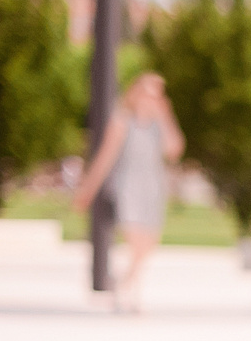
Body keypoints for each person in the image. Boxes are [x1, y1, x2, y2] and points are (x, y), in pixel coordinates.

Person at [71, 72, 184, 313]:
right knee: (135, 240)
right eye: (148, 94)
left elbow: (174, 149)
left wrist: (166, 116)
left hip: (153, 188)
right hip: (127, 187)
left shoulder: (158, 125)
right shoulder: (122, 121)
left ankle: (125, 285)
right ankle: (130, 292)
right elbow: (105, 159)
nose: (151, 100)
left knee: (149, 243)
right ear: (136, 94)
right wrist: (87, 190)